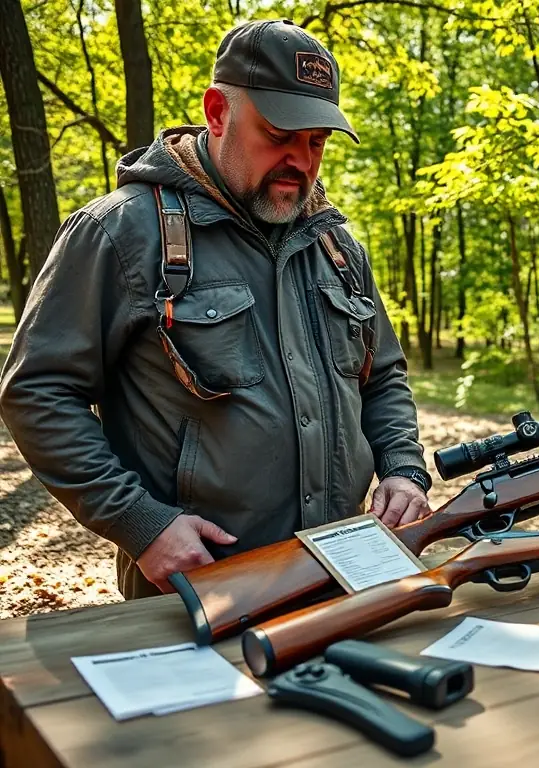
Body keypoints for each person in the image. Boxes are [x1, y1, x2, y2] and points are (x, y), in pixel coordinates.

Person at [0, 19, 434, 600]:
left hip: (344, 577)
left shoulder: (337, 248)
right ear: (217, 112)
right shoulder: (124, 233)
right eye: (281, 134)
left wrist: (404, 469)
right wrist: (142, 524)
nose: (301, 161)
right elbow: (37, 392)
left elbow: (381, 376)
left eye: (317, 143)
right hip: (199, 588)